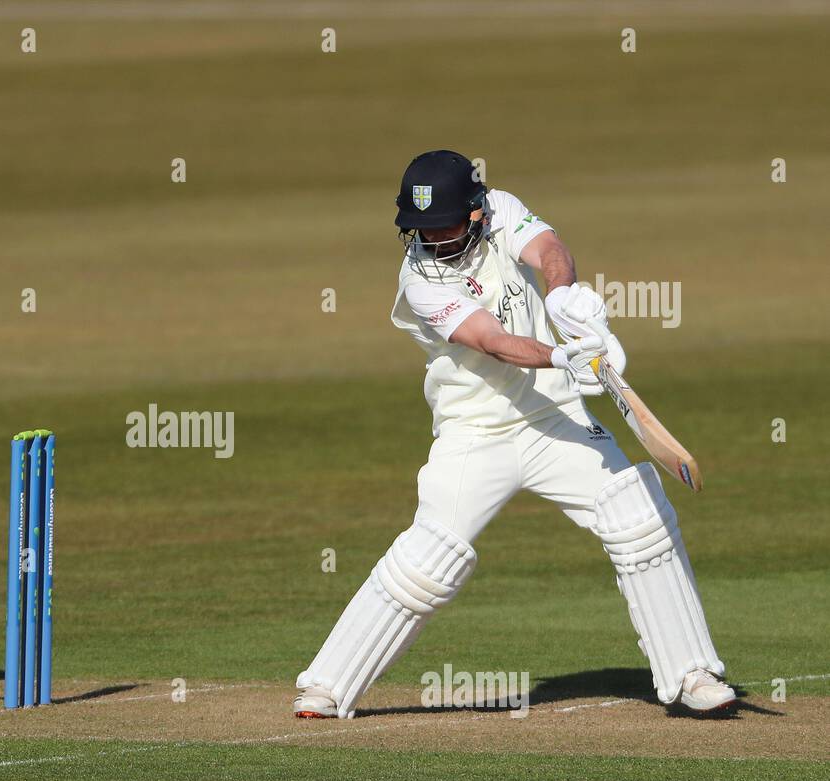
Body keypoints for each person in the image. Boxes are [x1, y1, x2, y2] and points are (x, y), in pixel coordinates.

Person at [293, 150, 734, 719]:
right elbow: (494, 342)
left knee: (638, 513)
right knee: (430, 558)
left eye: (444, 225)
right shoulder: (419, 283)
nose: (432, 240)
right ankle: (327, 685)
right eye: (420, 229)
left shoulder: (499, 208)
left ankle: (692, 674)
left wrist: (562, 297)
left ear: (477, 214)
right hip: (474, 430)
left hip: (553, 418)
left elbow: (550, 250)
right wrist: (562, 355)